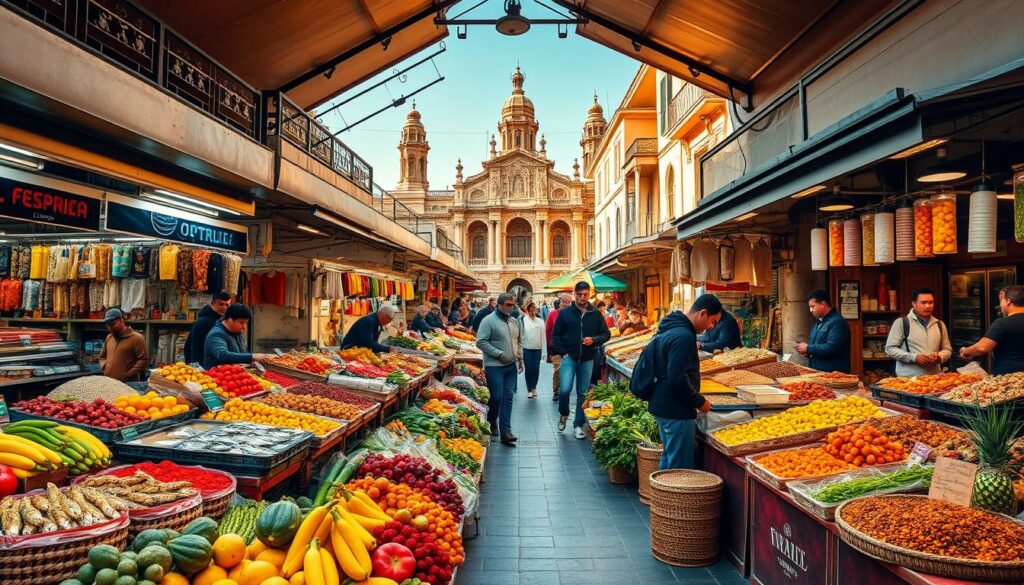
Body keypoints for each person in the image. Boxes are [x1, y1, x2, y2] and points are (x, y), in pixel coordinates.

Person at [647, 295, 721, 469]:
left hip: (662, 404)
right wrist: (699, 402)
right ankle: (673, 496)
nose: (711, 328)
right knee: (679, 469)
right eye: (713, 321)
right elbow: (677, 378)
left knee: (669, 458)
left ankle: (662, 496)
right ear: (703, 313)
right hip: (676, 410)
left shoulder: (670, 328)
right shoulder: (684, 336)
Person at [552, 282, 612, 439]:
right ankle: (564, 413)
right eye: (579, 294)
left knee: (582, 393)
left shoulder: (595, 314)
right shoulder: (565, 313)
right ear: (574, 294)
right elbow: (555, 334)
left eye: (585, 294)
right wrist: (562, 352)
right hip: (569, 358)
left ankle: (578, 425)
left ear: (589, 294)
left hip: (587, 359)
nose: (582, 297)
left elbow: (606, 334)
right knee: (564, 390)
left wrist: (593, 340)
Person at [476, 293, 524, 445]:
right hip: (494, 366)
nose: (512, 308)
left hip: (511, 366)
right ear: (500, 305)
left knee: (508, 398)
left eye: (513, 305)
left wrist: (520, 357)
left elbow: (519, 340)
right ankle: (491, 420)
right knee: (497, 397)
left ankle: (506, 432)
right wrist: (499, 354)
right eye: (509, 305)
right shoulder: (488, 320)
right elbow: (481, 342)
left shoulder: (514, 321)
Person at [885, 288, 952, 376]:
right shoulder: (902, 323)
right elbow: (890, 349)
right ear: (914, 303)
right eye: (923, 303)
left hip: (934, 378)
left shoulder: (939, 324)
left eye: (931, 302)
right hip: (908, 379)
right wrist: (914, 357)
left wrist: (939, 356)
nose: (928, 306)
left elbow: (947, 350)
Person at [960, 285, 1024, 374]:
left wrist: (966, 351)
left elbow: (981, 348)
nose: (1000, 305)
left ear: (1008, 301)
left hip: (1008, 378)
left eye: (1001, 301)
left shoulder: (1002, 323)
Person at [795, 289, 851, 373]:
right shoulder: (818, 322)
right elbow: (818, 347)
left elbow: (833, 347)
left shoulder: (838, 322)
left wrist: (808, 348)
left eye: (812, 306)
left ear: (823, 304)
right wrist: (808, 353)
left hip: (833, 375)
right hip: (817, 372)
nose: (810, 310)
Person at [202, 303, 271, 369]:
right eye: (241, 323)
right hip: (218, 376)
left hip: (236, 373)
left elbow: (243, 352)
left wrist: (251, 360)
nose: (244, 327)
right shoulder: (216, 334)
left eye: (246, 323)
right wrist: (252, 357)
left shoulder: (237, 331)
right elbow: (223, 355)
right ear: (230, 320)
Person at [99, 308, 148, 381]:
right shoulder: (109, 337)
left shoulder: (136, 338)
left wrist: (128, 375)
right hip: (109, 382)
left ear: (121, 320)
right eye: (107, 325)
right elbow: (102, 356)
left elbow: (143, 360)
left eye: (112, 324)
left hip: (128, 384)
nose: (110, 328)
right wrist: (104, 367)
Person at [183, 292, 231, 364]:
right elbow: (194, 347)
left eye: (227, 305)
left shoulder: (220, 320)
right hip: (204, 365)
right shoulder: (205, 322)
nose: (224, 308)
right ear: (212, 303)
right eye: (221, 304)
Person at [546, 293, 571, 402]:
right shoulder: (552, 315)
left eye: (568, 302)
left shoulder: (574, 315)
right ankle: (556, 391)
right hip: (556, 348)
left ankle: (564, 391)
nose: (566, 304)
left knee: (568, 371)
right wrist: (549, 349)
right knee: (558, 370)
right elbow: (548, 332)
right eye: (564, 302)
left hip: (570, 349)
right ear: (559, 303)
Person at [521, 300, 545, 398]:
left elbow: (543, 336)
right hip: (527, 348)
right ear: (528, 310)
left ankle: (534, 386)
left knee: (536, 369)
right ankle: (529, 388)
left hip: (537, 348)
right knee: (529, 368)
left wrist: (544, 350)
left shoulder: (540, 321)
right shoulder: (524, 320)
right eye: (531, 309)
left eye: (534, 308)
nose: (533, 310)